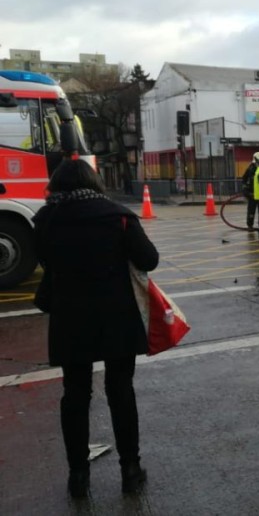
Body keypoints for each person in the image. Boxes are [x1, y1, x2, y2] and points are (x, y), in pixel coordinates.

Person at [32, 159, 159, 498]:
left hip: (69, 318)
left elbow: (44, 261)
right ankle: (130, 470)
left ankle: (78, 476)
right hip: (117, 315)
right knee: (121, 391)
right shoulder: (118, 216)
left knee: (75, 395)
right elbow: (149, 259)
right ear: (94, 182)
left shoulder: (45, 219)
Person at [241, 152, 259, 230]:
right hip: (252, 194)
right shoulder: (250, 169)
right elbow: (244, 179)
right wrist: (246, 190)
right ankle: (250, 225)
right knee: (251, 211)